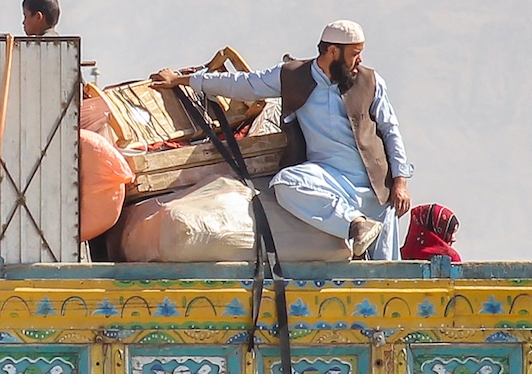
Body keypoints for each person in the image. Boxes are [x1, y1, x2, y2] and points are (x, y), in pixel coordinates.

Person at [152, 20, 412, 259]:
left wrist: (400, 182)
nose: (360, 60)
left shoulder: (372, 82)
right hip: (328, 178)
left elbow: (391, 130)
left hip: (374, 187)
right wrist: (182, 80)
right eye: (354, 54)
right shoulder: (293, 76)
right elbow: (243, 84)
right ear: (333, 51)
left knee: (388, 273)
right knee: (286, 183)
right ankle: (354, 224)